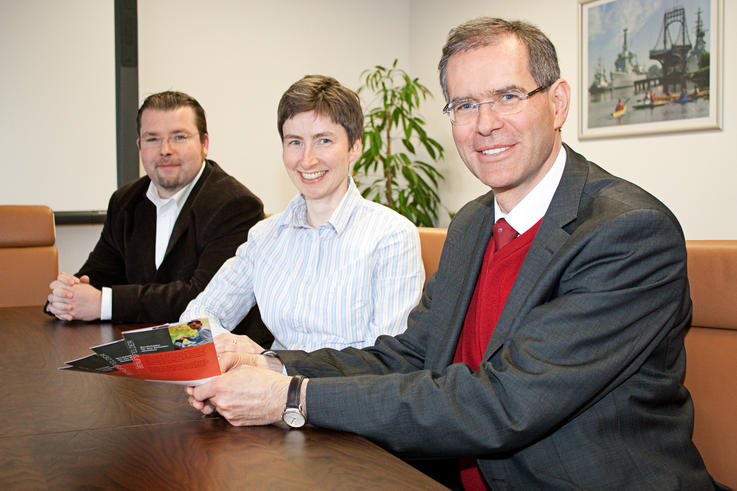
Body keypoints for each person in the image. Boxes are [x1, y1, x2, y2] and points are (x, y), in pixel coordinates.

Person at [187, 18, 717, 490]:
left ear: (557, 103)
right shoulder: (471, 224)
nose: (484, 123)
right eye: (465, 105)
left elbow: (506, 402)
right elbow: (408, 355)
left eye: (507, 96)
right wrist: (271, 363)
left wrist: (291, 398)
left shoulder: (626, 233)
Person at [180, 75, 424, 352]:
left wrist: (270, 362)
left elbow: (386, 359)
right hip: (267, 387)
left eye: (323, 141)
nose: (307, 159)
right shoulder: (265, 236)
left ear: (354, 146)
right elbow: (192, 323)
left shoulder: (391, 235)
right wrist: (236, 347)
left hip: (341, 393)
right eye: (295, 142)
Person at [46, 91, 267, 334]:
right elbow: (99, 273)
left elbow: (203, 297)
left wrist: (103, 304)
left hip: (217, 353)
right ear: (139, 145)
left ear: (204, 143)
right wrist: (68, 294)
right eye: (152, 139)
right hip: (142, 348)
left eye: (179, 137)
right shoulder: (125, 201)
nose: (165, 150)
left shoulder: (236, 205)